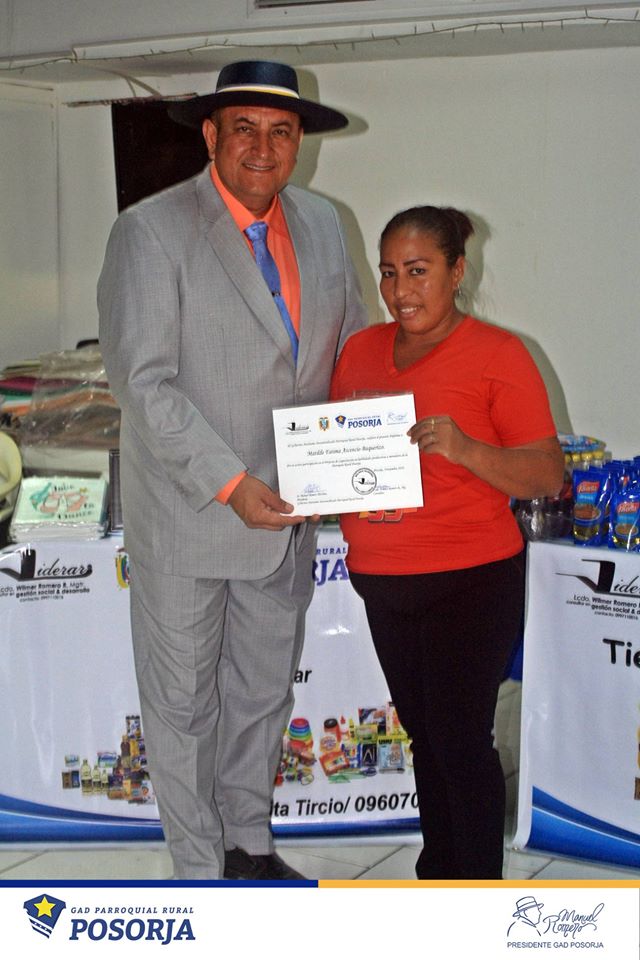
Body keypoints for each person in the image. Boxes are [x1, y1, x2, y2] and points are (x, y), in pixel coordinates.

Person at [98, 60, 367, 880]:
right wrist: (228, 483)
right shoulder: (150, 232)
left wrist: (370, 460)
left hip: (290, 513)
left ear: (299, 144)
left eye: (280, 132)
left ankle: (248, 844)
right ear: (211, 135)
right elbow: (144, 385)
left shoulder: (324, 223)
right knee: (183, 705)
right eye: (243, 128)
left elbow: (352, 352)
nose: (262, 147)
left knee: (261, 691)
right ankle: (198, 870)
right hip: (195, 514)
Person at [330, 205, 564, 879]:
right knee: (424, 738)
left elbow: (546, 475)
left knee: (460, 741)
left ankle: (477, 893)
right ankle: (440, 877)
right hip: (382, 579)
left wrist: (464, 449)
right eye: (389, 273)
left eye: (418, 271)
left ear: (457, 271)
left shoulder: (500, 354)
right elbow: (339, 457)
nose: (400, 290)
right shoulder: (360, 351)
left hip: (471, 579)